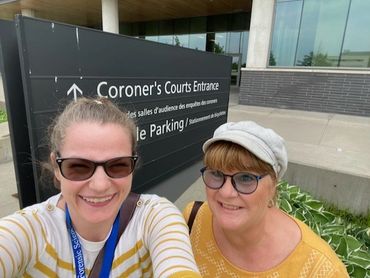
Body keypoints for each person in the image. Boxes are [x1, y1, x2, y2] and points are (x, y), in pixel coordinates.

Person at [0, 97, 200, 277]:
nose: (100, 185)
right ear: (57, 167)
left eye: (118, 165)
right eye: (78, 166)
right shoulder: (30, 231)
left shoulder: (155, 217)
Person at [183, 121, 349, 277]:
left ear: (273, 185)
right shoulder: (192, 220)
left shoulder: (320, 270)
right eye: (216, 174)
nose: (226, 192)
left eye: (246, 178)